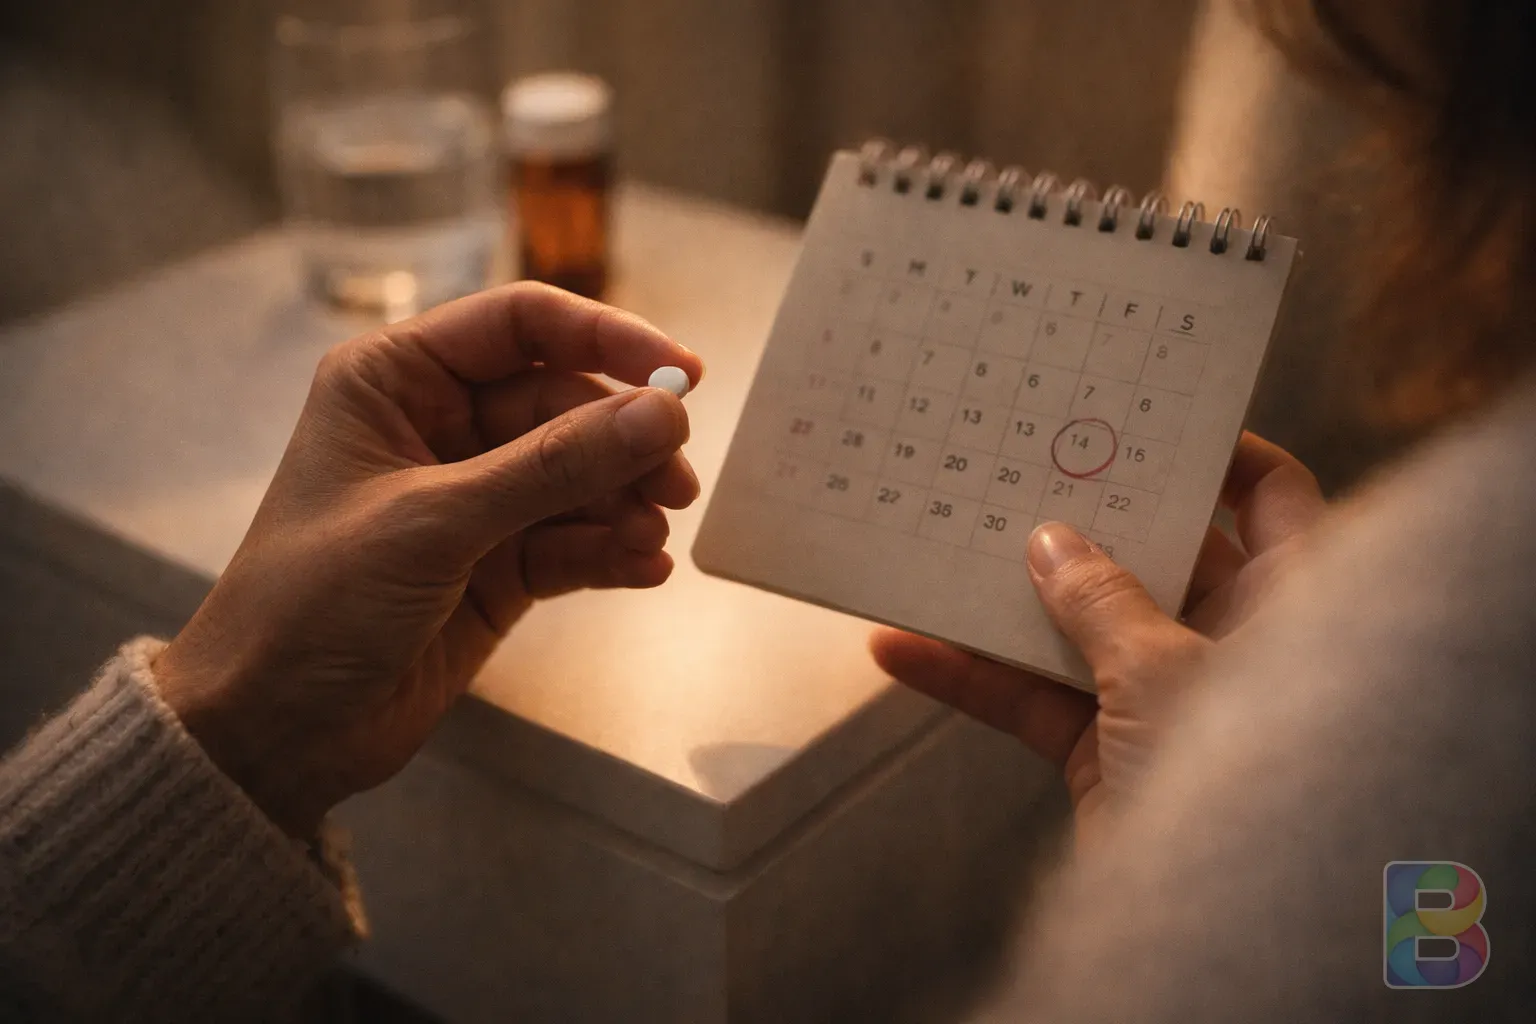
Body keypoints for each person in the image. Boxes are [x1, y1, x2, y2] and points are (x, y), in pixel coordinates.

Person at [3, 0, 1533, 1020]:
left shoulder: (1435, 676)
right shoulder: (1430, 669)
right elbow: (1453, 950)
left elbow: (1449, 944)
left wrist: (1260, 828)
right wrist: (239, 723)